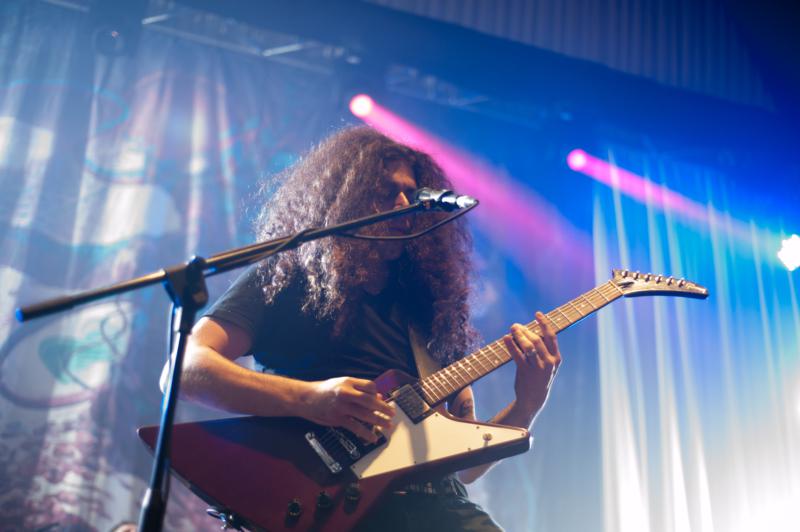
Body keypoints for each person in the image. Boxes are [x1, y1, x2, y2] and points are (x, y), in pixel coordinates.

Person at [168, 126, 562, 531]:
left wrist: (527, 404)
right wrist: (310, 398)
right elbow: (184, 369)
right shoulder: (288, 278)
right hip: (330, 509)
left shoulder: (432, 307)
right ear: (344, 198)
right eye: (385, 191)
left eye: (411, 194)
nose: (404, 204)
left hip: (439, 509)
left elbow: (466, 468)